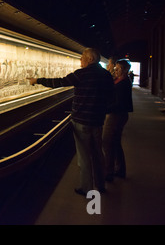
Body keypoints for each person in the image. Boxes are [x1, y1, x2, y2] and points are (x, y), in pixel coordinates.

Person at [28, 48, 114, 196]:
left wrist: (38, 80)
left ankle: (87, 188)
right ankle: (100, 185)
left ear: (90, 59)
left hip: (81, 120)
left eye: (83, 57)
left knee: (84, 155)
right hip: (98, 120)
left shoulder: (82, 74)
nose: (80, 60)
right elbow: (110, 96)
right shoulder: (106, 75)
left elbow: (60, 82)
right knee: (98, 152)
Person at [103, 59, 133, 181]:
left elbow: (119, 103)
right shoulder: (120, 80)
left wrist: (104, 109)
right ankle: (120, 169)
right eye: (115, 68)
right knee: (115, 142)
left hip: (116, 115)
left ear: (125, 70)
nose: (116, 70)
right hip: (118, 114)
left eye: (118, 68)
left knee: (107, 142)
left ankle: (108, 172)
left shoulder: (124, 83)